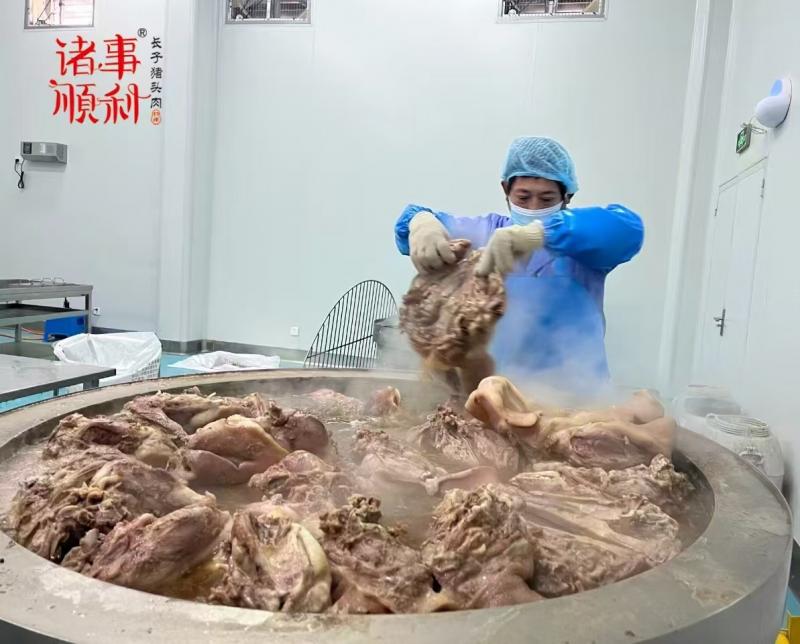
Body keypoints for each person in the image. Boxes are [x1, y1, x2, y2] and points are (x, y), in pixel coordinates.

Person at [394, 137, 643, 392]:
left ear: (566, 197)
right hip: (487, 395)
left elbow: (628, 229)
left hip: (578, 398)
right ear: (506, 190)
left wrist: (541, 233)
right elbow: (410, 229)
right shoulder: (484, 233)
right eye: (523, 197)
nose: (533, 207)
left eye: (546, 199)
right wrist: (421, 222)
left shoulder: (582, 246)